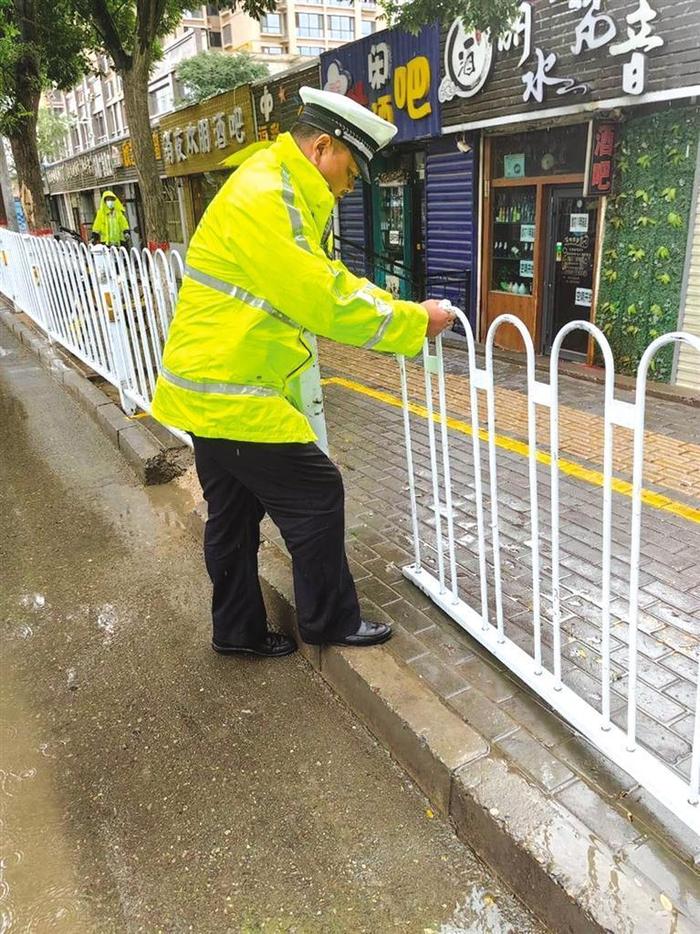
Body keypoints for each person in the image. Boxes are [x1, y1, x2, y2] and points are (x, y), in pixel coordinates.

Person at [151, 86, 456, 658]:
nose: (349, 186)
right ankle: (328, 620)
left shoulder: (268, 181)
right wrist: (416, 321)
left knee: (234, 516)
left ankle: (236, 631)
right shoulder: (271, 196)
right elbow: (324, 296)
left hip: (206, 388)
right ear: (322, 147)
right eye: (351, 170)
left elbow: (315, 279)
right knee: (318, 490)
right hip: (235, 394)